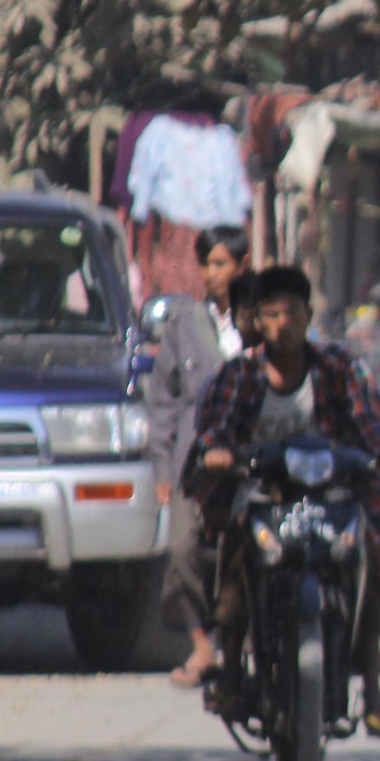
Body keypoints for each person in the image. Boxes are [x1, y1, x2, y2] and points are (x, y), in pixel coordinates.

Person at [194, 266, 380, 746]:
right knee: (235, 554)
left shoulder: (339, 367)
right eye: (271, 314)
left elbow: (372, 427)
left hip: (334, 497)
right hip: (264, 496)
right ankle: (228, 666)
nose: (283, 323)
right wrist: (218, 452)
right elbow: (215, 430)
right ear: (257, 322)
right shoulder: (239, 375)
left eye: (292, 312)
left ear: (309, 315)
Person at [150, 226, 251, 688]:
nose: (212, 274)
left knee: (250, 550)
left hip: (251, 458)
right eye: (207, 264)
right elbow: (164, 400)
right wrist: (162, 464)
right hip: (194, 461)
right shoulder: (184, 324)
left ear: (242, 267)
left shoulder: (264, 319)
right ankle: (201, 646)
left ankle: (243, 645)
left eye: (221, 264)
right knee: (182, 549)